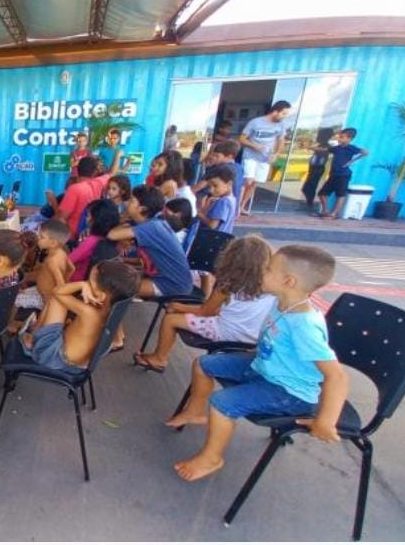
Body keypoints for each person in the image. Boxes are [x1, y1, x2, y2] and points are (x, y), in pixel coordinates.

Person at [167, 245, 348, 483]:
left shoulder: (304, 326)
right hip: (264, 368)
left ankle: (212, 458)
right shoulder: (280, 300)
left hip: (289, 391)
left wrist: (326, 421)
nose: (261, 271)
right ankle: (194, 412)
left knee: (222, 402)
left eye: (268, 269)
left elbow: (337, 376)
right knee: (204, 363)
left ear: (288, 281)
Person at [133, 235, 277, 372]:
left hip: (226, 333)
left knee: (171, 320)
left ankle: (159, 358)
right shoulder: (271, 290)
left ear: (232, 258)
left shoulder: (227, 284)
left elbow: (206, 311)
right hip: (254, 338)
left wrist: (178, 306)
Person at [21, 260, 141, 374]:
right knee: (65, 302)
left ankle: (35, 338)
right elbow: (118, 341)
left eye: (90, 282)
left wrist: (81, 284)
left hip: (52, 357)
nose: (87, 284)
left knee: (57, 300)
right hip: (79, 365)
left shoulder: (89, 312)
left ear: (101, 296)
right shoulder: (113, 311)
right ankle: (37, 331)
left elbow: (57, 292)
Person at [109, 185, 193, 299]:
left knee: (117, 288)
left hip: (173, 285)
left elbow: (112, 235)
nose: (128, 203)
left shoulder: (151, 227)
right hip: (169, 279)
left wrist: (124, 217)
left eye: (132, 201)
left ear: (142, 209)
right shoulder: (154, 223)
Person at [239, 101, 292, 216]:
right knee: (248, 180)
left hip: (265, 158)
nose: (284, 117)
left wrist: (276, 154)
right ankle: (236, 207)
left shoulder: (281, 125)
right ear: (275, 111)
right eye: (283, 113)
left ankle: (242, 206)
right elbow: (242, 139)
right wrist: (254, 146)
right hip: (250, 156)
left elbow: (281, 140)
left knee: (254, 183)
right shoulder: (256, 122)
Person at [15, 219, 73, 312]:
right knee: (17, 294)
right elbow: (72, 269)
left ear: (53, 242)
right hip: (39, 291)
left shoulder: (52, 261)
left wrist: (49, 305)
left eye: (42, 237)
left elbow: (62, 287)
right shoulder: (62, 253)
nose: (38, 239)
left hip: (44, 299)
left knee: (14, 301)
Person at [314, 128, 369, 219]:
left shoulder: (351, 148)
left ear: (349, 138)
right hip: (333, 175)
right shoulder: (337, 148)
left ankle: (334, 214)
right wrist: (313, 148)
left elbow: (365, 152)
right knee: (322, 194)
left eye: (342, 137)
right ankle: (325, 211)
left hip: (343, 175)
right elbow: (325, 149)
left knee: (340, 195)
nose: (339, 139)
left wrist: (352, 161)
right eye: (339, 137)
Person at [55, 156, 111, 239]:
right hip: (89, 234)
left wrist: (53, 201)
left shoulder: (74, 189)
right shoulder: (98, 184)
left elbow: (62, 218)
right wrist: (117, 155)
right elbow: (111, 173)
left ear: (77, 170)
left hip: (71, 236)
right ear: (95, 172)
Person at [69, 200, 118, 282]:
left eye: (88, 216)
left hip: (77, 280)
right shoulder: (112, 237)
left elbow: (69, 260)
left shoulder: (91, 241)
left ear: (95, 220)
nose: (86, 219)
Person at [195, 140, 244, 206]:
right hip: (232, 205)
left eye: (217, 156)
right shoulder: (239, 168)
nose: (213, 157)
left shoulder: (219, 168)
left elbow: (201, 185)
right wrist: (238, 206)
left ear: (229, 156)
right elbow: (242, 188)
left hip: (216, 203)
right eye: (213, 155)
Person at [197, 165, 238, 234]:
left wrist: (198, 214)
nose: (211, 190)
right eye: (209, 186)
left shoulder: (223, 202)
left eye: (215, 186)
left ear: (229, 184)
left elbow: (212, 225)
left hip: (213, 239)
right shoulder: (232, 199)